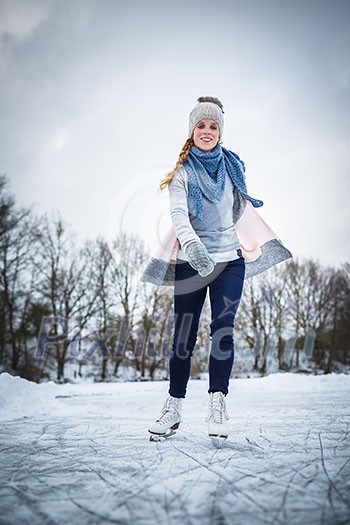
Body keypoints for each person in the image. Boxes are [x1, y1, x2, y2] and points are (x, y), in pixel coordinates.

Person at [141, 96, 292, 446]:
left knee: (223, 329)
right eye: (201, 125)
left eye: (213, 126)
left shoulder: (232, 167)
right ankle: (173, 407)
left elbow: (238, 210)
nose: (207, 131)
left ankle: (217, 405)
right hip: (191, 263)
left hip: (229, 261)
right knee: (183, 336)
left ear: (220, 132)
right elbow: (179, 214)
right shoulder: (182, 174)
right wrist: (192, 245)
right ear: (191, 131)